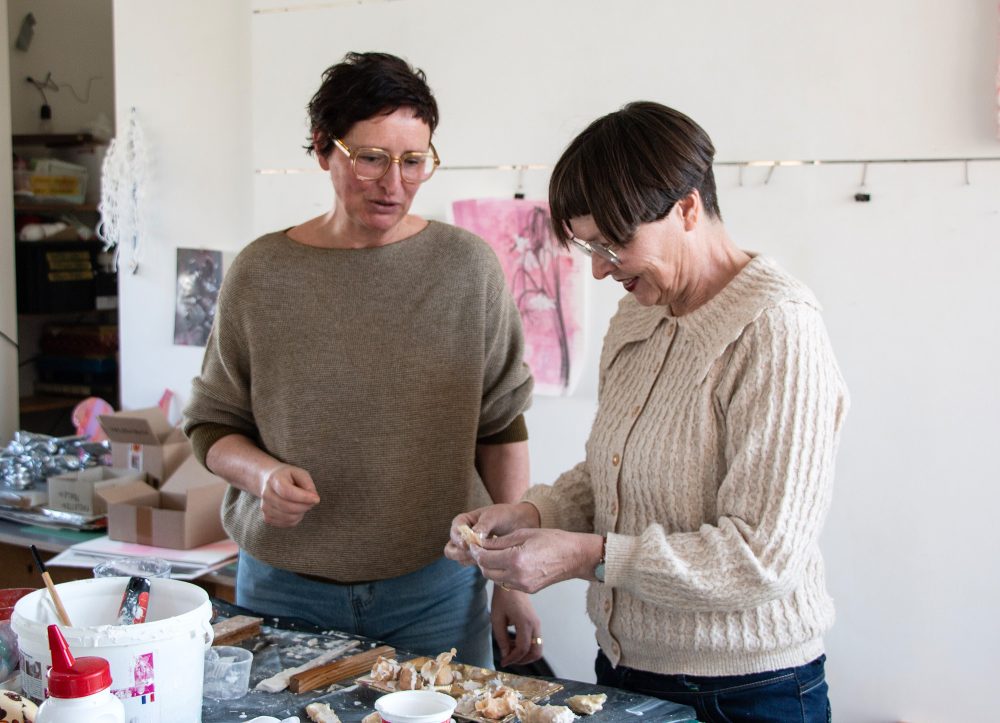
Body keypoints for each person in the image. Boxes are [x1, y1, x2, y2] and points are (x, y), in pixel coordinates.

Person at [446, 101, 848, 722]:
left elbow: (759, 558)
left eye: (614, 243)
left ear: (687, 208)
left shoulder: (776, 329)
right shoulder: (640, 312)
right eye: (587, 245)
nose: (601, 269)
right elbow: (609, 476)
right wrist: (528, 514)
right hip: (627, 669)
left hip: (748, 692)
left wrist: (584, 555)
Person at [183, 51, 541, 669]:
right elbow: (210, 425)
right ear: (324, 149)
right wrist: (262, 476)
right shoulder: (261, 273)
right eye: (371, 158)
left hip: (435, 589)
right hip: (282, 585)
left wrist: (509, 579)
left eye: (413, 161)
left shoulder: (466, 268)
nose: (393, 183)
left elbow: (501, 428)